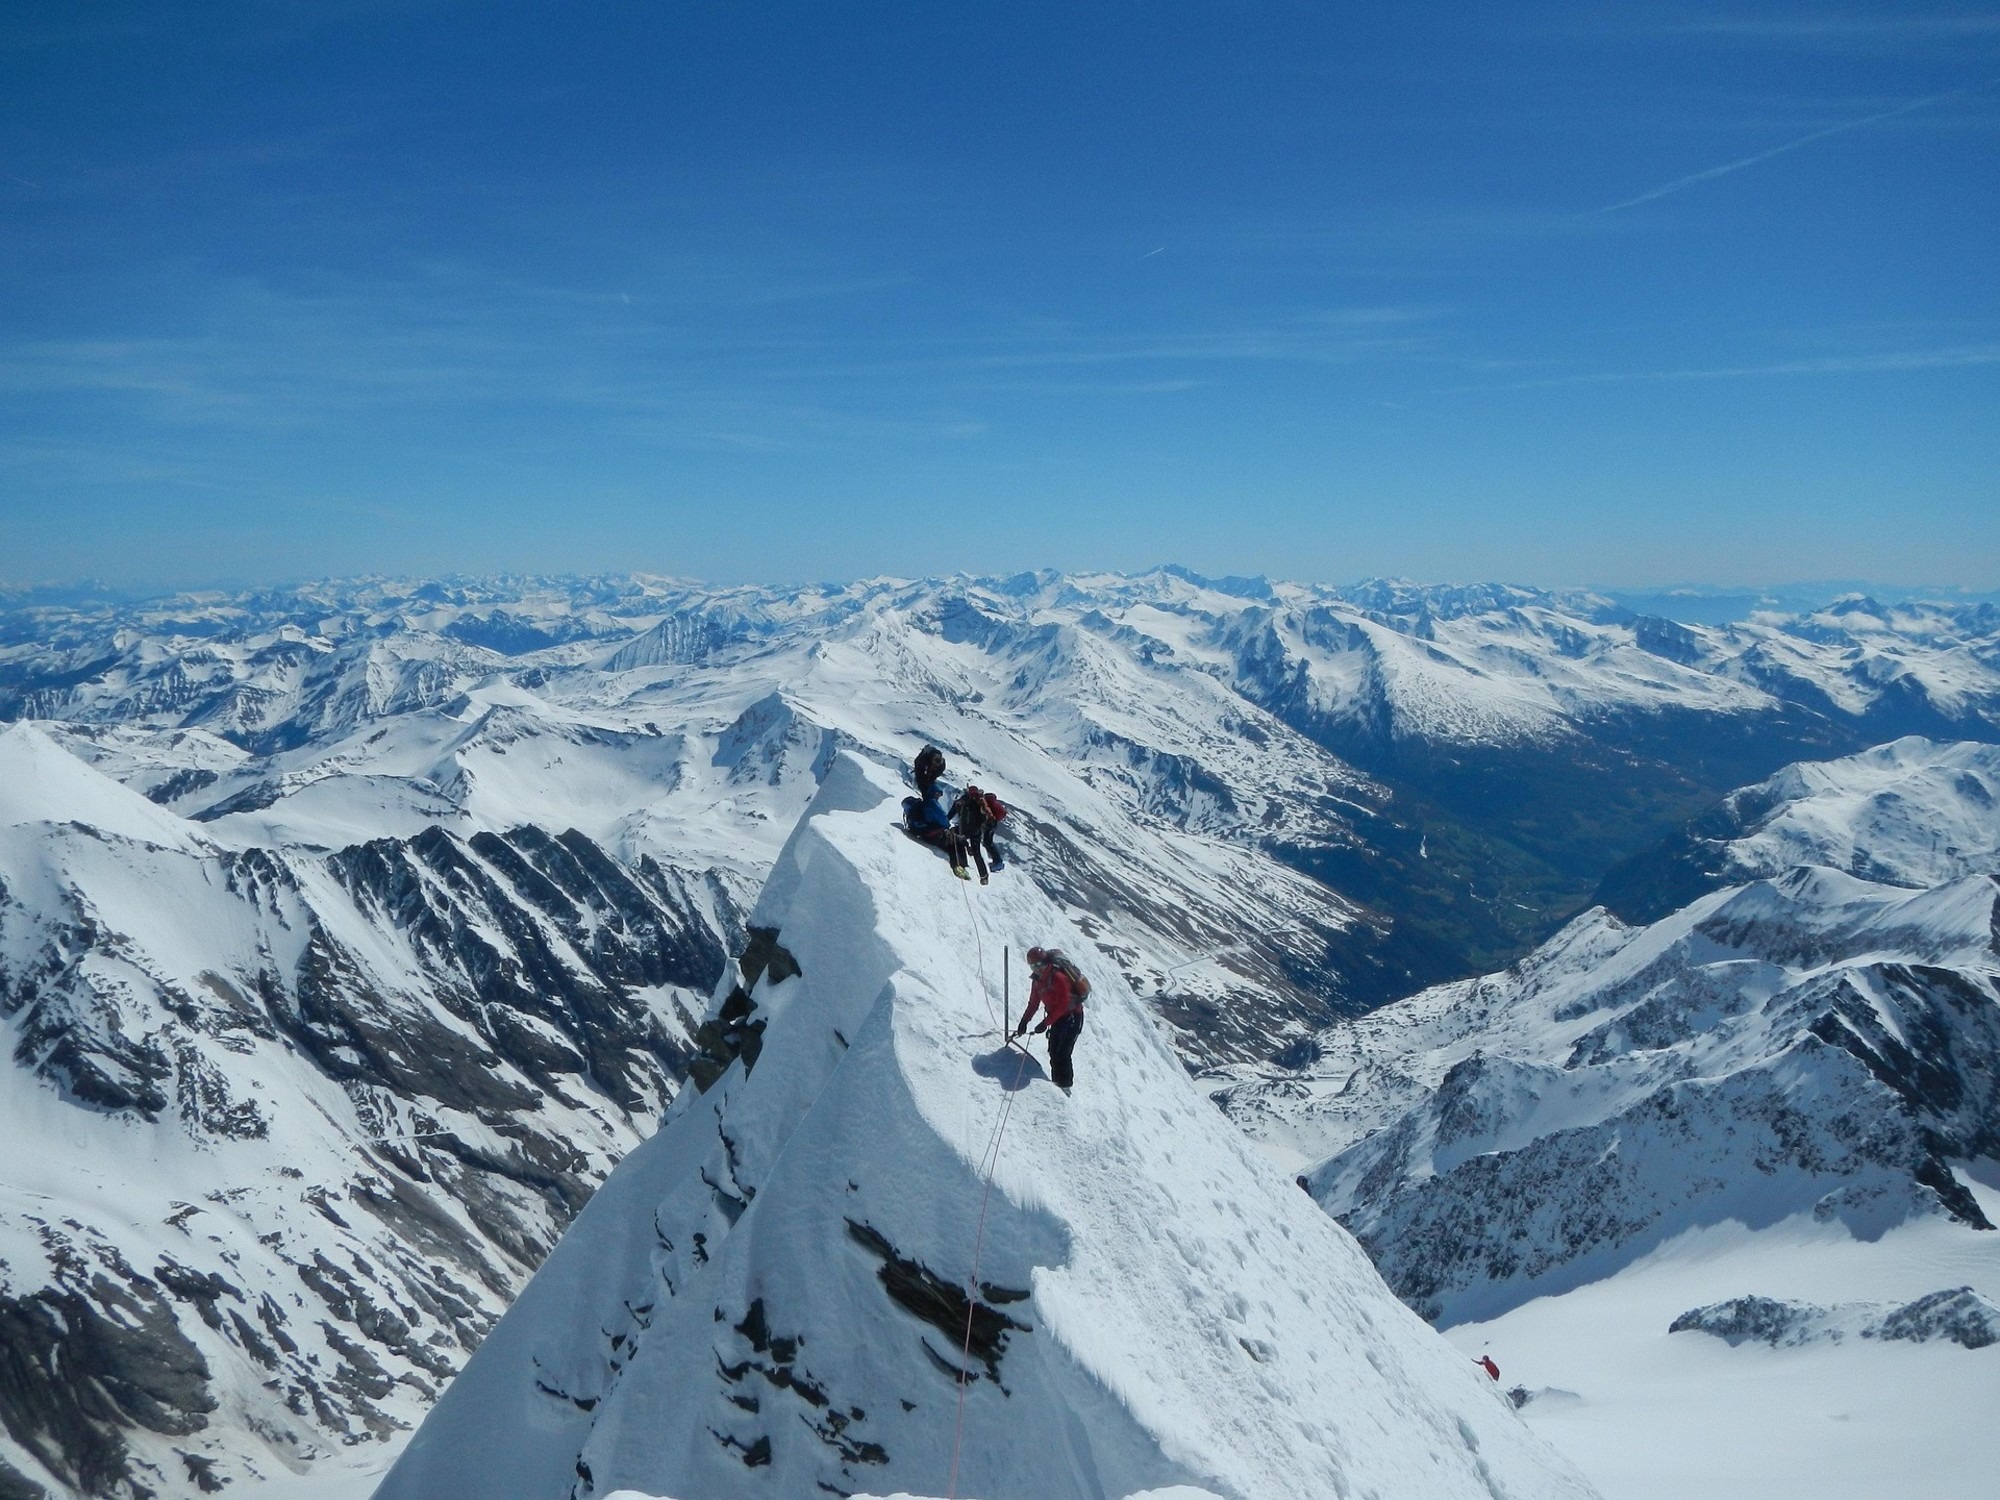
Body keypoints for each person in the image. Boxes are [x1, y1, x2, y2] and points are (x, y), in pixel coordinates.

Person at [1013, 946, 1086, 1092]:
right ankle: (1058, 1086)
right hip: (1058, 1018)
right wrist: (1024, 1022)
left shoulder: (1057, 977)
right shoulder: (1037, 981)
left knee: (1063, 1052)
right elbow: (1033, 1003)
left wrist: (1045, 1023)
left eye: (1039, 964)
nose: (1037, 968)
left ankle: (1065, 1087)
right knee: (1054, 1052)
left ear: (1045, 961)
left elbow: (1063, 1004)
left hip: (1072, 1017)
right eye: (1033, 966)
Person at [901, 786, 970, 879]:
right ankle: (959, 867)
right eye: (938, 794)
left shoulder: (924, 803)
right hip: (934, 836)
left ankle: (961, 866)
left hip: (926, 833)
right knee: (956, 843)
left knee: (954, 842)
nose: (939, 796)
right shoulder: (931, 803)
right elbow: (944, 821)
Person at [950, 783, 1001, 884]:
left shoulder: (961, 803)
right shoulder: (977, 803)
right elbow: (982, 818)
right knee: (977, 853)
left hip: (965, 829)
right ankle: (984, 876)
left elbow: (951, 814)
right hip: (976, 831)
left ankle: (961, 863)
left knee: (955, 836)